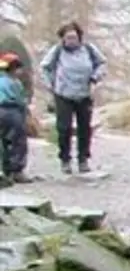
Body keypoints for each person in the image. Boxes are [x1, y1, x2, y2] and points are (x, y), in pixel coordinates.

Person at [39, 21, 106, 174]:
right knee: (64, 128)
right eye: (67, 38)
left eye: (74, 37)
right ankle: (65, 160)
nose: (71, 41)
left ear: (79, 37)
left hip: (84, 94)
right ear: (62, 39)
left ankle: (83, 159)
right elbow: (44, 67)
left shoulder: (88, 49)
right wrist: (51, 84)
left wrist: (95, 77)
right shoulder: (57, 51)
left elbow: (102, 63)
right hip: (63, 95)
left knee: (85, 128)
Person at [0, 52, 31, 184]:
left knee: (4, 141)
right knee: (18, 141)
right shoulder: (15, 83)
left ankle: (5, 169)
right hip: (12, 111)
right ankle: (17, 170)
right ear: (14, 68)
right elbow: (20, 100)